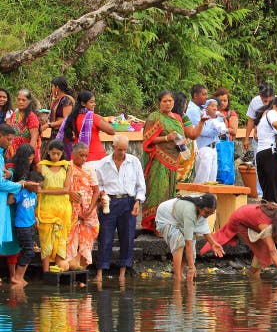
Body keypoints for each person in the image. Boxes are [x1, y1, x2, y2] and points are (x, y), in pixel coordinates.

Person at [141, 91, 195, 231]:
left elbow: (182, 136)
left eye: (170, 101)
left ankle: (167, 223)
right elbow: (148, 139)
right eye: (165, 101)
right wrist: (166, 138)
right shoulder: (155, 117)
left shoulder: (177, 117)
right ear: (159, 102)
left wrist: (181, 143)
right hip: (159, 160)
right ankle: (155, 225)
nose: (168, 104)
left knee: (170, 193)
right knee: (159, 191)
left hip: (173, 160)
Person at [95, 135, 146, 281]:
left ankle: (123, 272)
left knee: (128, 237)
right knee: (105, 236)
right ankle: (100, 272)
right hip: (109, 202)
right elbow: (98, 184)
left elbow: (140, 185)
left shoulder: (134, 161)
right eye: (119, 149)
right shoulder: (103, 164)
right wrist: (101, 193)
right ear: (113, 147)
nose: (122, 152)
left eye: (124, 149)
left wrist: (138, 201)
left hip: (128, 202)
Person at [200, 201, 277, 279]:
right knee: (264, 250)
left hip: (248, 214)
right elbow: (273, 250)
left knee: (263, 249)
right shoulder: (265, 225)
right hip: (239, 220)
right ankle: (254, 278)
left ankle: (254, 276)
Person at [155, 194, 224, 282]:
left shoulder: (204, 211)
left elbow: (203, 228)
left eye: (211, 213)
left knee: (193, 240)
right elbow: (188, 243)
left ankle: (180, 272)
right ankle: (177, 277)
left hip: (180, 219)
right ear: (200, 207)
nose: (208, 215)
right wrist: (191, 267)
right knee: (179, 241)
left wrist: (213, 243)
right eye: (207, 212)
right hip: (166, 218)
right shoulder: (190, 211)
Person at [6, 143, 42, 285]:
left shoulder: (33, 193)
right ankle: (15, 277)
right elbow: (10, 199)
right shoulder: (12, 167)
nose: (30, 162)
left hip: (26, 221)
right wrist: (20, 185)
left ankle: (17, 277)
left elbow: (33, 207)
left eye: (32, 159)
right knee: (23, 249)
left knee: (22, 248)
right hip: (15, 215)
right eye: (28, 159)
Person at [37, 139, 73, 272]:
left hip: (63, 208)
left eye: (58, 154)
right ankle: (46, 271)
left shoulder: (67, 167)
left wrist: (44, 190)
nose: (55, 156)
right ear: (48, 152)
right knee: (46, 238)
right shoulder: (41, 166)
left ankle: (58, 268)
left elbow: (66, 189)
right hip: (46, 207)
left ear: (62, 153)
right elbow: (38, 186)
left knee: (61, 238)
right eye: (53, 153)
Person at [65, 143, 100, 270]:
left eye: (86, 156)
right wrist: (70, 193)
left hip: (88, 212)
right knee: (71, 239)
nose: (84, 159)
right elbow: (64, 188)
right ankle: (71, 266)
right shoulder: (67, 167)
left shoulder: (89, 168)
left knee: (86, 241)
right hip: (72, 210)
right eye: (81, 156)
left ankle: (82, 270)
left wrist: (90, 209)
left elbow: (96, 190)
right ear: (73, 154)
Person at [61, 90, 115, 164]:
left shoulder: (72, 117)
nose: (94, 104)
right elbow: (111, 131)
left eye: (94, 102)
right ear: (83, 103)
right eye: (91, 102)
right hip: (95, 157)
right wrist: (101, 118)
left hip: (77, 156)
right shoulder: (93, 117)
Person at [193, 98, 228, 184]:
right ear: (206, 107)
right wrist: (216, 132)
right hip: (204, 149)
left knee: (212, 177)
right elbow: (203, 131)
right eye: (212, 106)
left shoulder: (218, 118)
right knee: (203, 177)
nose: (215, 108)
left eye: (216, 106)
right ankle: (198, 195)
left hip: (213, 148)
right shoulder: (202, 117)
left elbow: (223, 130)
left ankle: (209, 197)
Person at [8, 90, 40, 161]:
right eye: (19, 99)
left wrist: (28, 154)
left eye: (23, 100)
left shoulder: (31, 116)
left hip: (26, 153)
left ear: (29, 101)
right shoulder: (14, 115)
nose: (20, 102)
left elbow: (34, 137)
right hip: (14, 151)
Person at [243, 84, 275, 153]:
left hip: (274, 139)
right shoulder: (255, 101)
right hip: (258, 140)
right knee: (258, 161)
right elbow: (251, 120)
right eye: (265, 101)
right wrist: (246, 138)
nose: (267, 104)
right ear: (260, 94)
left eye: (270, 101)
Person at [44, 76, 74, 142]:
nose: (51, 88)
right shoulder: (58, 100)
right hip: (55, 133)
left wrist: (49, 125)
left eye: (52, 86)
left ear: (57, 87)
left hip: (63, 134)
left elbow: (66, 119)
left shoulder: (66, 100)